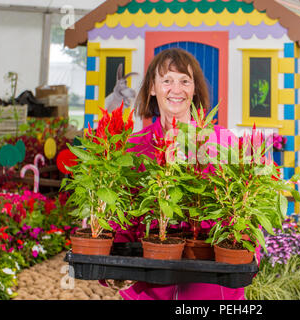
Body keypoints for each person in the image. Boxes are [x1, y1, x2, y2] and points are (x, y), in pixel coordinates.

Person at [102, 48, 250, 300]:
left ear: (194, 90)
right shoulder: (135, 147)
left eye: (184, 81)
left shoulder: (220, 141)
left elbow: (243, 211)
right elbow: (122, 214)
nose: (176, 89)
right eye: (167, 80)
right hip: (150, 289)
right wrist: (111, 265)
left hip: (212, 289)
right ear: (151, 88)